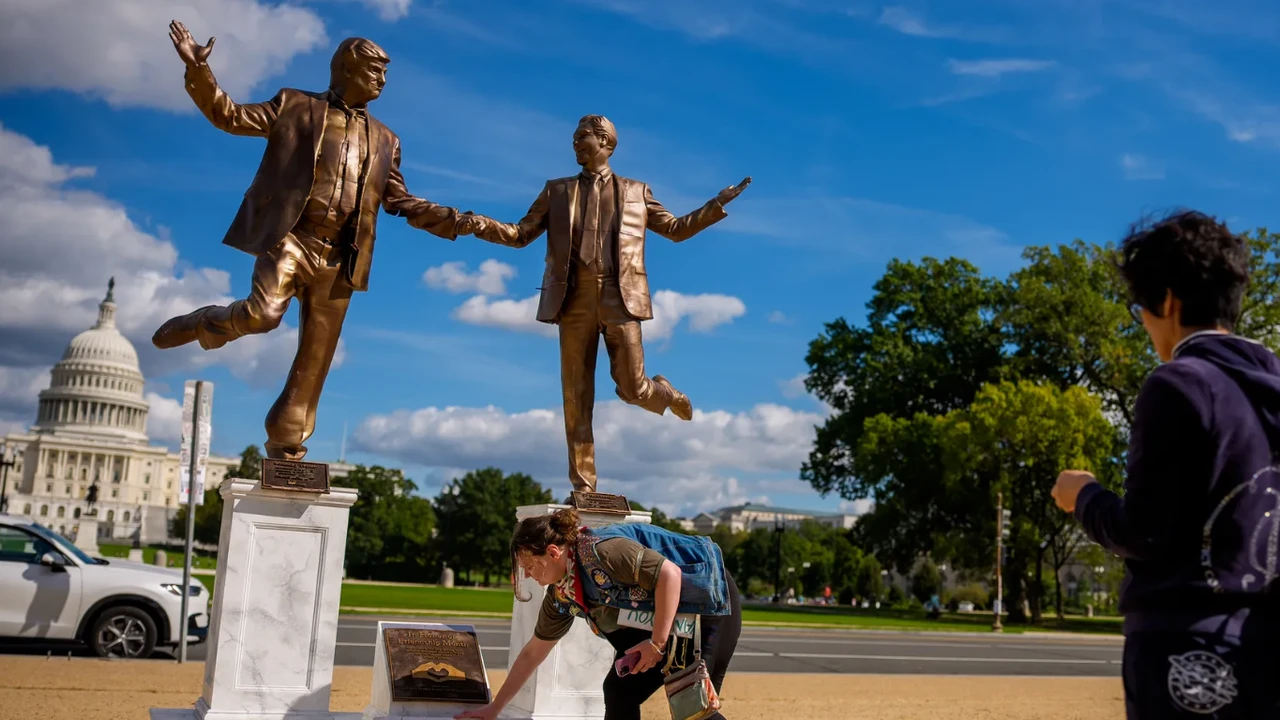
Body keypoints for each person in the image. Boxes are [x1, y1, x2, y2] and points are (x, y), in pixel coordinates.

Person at [152, 21, 465, 461]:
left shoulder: (387, 139)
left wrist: (455, 221)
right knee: (263, 315)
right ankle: (204, 323)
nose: (383, 80)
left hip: (341, 257)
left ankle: (287, 442)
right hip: (290, 239)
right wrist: (199, 70)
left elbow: (399, 200)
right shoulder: (294, 105)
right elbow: (230, 116)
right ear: (347, 69)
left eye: (385, 72)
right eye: (375, 70)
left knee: (315, 359)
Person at [437, 115, 750, 493]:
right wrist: (478, 224)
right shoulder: (556, 191)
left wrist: (715, 205)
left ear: (605, 142)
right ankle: (584, 487)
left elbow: (674, 229)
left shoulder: (636, 191)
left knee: (632, 389)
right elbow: (520, 234)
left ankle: (665, 394)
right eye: (573, 138)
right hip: (573, 299)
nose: (574, 143)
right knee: (576, 395)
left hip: (621, 298)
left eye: (581, 136)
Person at [1051, 210, 1280, 718]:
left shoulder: (1180, 383)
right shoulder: (1271, 387)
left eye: (1143, 310)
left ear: (1169, 301)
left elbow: (1144, 533)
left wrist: (1082, 495)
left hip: (1185, 652)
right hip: (1265, 651)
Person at [456, 508, 742, 720]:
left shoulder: (601, 551)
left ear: (553, 552)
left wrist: (656, 644)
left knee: (694, 706)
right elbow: (533, 652)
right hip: (668, 621)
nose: (528, 575)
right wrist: (495, 709)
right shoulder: (562, 593)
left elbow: (669, 575)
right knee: (619, 691)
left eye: (529, 566)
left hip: (709, 603)